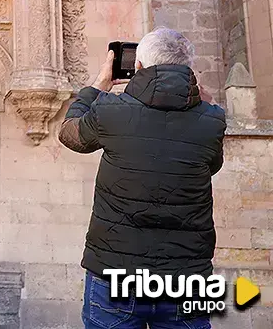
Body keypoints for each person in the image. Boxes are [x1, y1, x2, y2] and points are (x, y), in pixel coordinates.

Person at [58, 27, 226, 329]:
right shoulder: (212, 119)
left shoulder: (110, 110)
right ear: (189, 68)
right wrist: (203, 101)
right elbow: (210, 166)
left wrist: (98, 86)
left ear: (137, 67)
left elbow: (70, 134)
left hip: (115, 275)